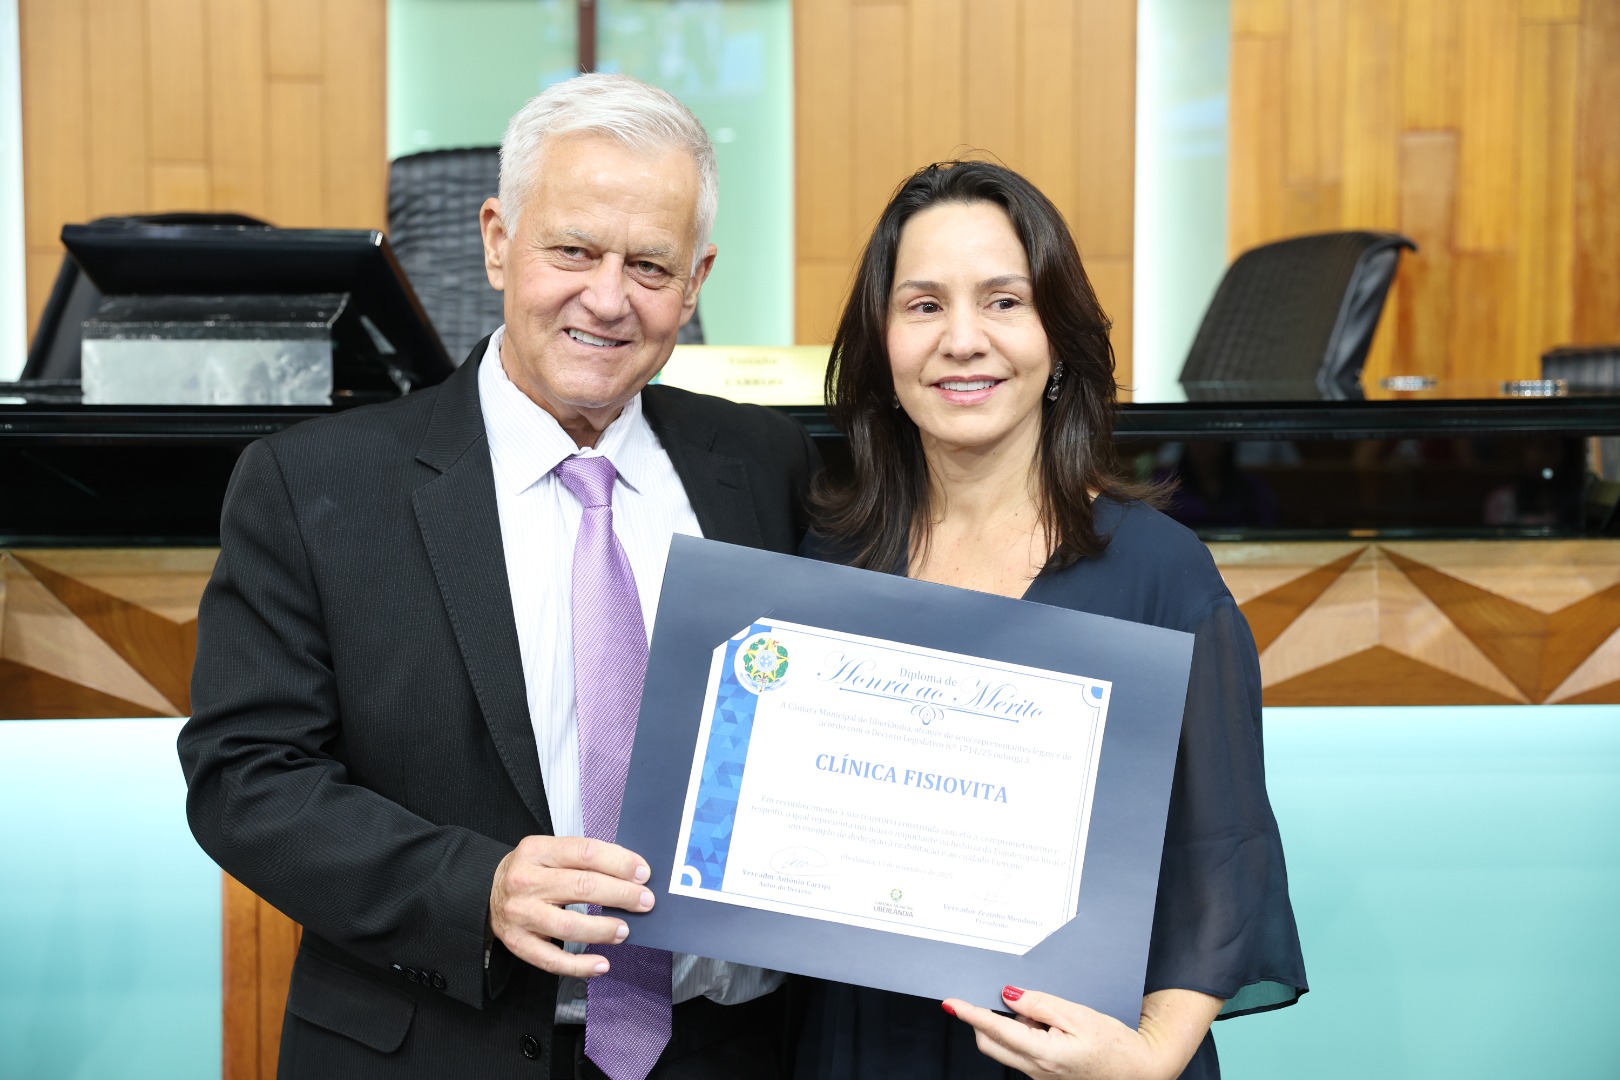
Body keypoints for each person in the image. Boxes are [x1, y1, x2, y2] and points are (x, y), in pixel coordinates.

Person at [178, 74, 819, 1080]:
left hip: (722, 1050)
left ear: (695, 282)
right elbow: (244, 778)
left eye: (650, 265)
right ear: (496, 241)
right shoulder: (312, 484)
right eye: (573, 251)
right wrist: (475, 888)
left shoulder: (767, 467)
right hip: (431, 1047)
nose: (607, 298)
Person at [794, 160, 1306, 1080]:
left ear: (1058, 337)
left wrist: (1149, 1058)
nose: (962, 340)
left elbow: (1221, 853)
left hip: (1079, 1054)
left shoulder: (1158, 571)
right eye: (923, 305)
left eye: (1004, 302)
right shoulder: (829, 560)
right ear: (881, 342)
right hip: (868, 1042)